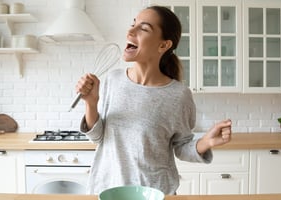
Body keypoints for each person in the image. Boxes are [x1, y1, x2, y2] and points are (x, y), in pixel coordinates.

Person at [75, 5, 232, 195]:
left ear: (163, 45)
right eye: (133, 24)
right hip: (109, 190)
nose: (130, 30)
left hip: (155, 193)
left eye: (143, 28)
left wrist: (205, 142)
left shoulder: (178, 95)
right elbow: (99, 137)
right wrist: (91, 103)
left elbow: (182, 147)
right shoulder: (113, 80)